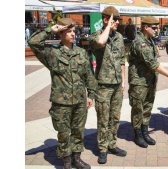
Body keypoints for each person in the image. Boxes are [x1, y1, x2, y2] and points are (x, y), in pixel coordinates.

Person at [27, 18, 97, 169]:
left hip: (79, 101)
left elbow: (89, 75)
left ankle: (76, 159)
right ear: (60, 33)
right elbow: (33, 42)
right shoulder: (52, 53)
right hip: (61, 103)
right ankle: (66, 161)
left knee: (78, 131)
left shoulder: (82, 53)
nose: (73, 34)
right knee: (64, 133)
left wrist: (91, 94)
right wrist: (51, 29)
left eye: (73, 31)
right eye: (69, 31)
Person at [128, 16, 168, 148]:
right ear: (146, 27)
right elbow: (152, 63)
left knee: (147, 107)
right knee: (138, 109)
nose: (157, 30)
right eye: (154, 28)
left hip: (149, 81)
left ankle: (144, 132)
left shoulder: (149, 40)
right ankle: (137, 134)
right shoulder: (140, 42)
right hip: (139, 82)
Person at [89, 6, 127, 164]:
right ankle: (103, 148)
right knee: (103, 119)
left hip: (118, 84)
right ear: (106, 19)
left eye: (118, 19)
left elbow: (122, 60)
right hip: (103, 85)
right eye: (115, 19)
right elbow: (100, 42)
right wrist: (107, 27)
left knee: (115, 117)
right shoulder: (95, 36)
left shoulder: (118, 37)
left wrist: (123, 80)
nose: (118, 22)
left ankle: (112, 144)